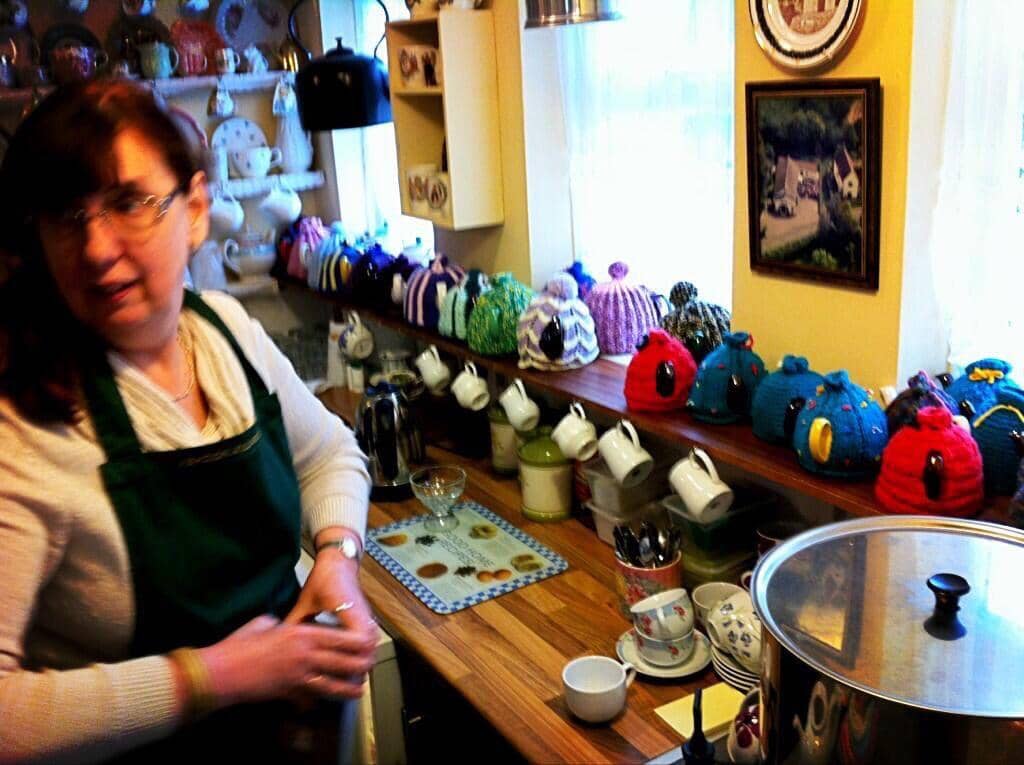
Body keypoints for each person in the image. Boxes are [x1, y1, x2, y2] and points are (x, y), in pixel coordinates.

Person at [0, 80, 376, 762]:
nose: (95, 249)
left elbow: (330, 454)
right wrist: (215, 675)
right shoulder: (23, 425)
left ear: (196, 209)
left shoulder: (227, 331)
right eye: (67, 215)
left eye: (127, 203)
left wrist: (338, 557)